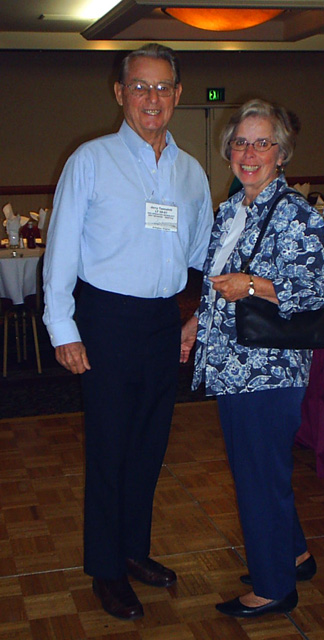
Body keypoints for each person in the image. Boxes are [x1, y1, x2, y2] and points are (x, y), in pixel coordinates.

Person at [43, 44, 213, 621]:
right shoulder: (90, 160)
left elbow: (198, 255)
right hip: (107, 321)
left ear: (179, 94)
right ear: (120, 93)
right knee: (111, 449)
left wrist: (190, 317)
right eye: (140, 87)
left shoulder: (191, 171)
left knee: (149, 446)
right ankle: (106, 571)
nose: (152, 99)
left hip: (164, 321)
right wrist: (63, 326)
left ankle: (134, 552)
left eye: (163, 87)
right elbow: (61, 251)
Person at [180, 99, 324, 617]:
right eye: (241, 142)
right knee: (262, 470)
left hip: (269, 370)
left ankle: (274, 586)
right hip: (233, 365)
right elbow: (218, 283)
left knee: (258, 477)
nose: (250, 153)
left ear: (281, 153)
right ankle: (293, 554)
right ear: (229, 151)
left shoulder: (295, 213)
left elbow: (315, 290)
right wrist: (198, 321)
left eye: (262, 142)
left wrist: (255, 285)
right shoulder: (233, 210)